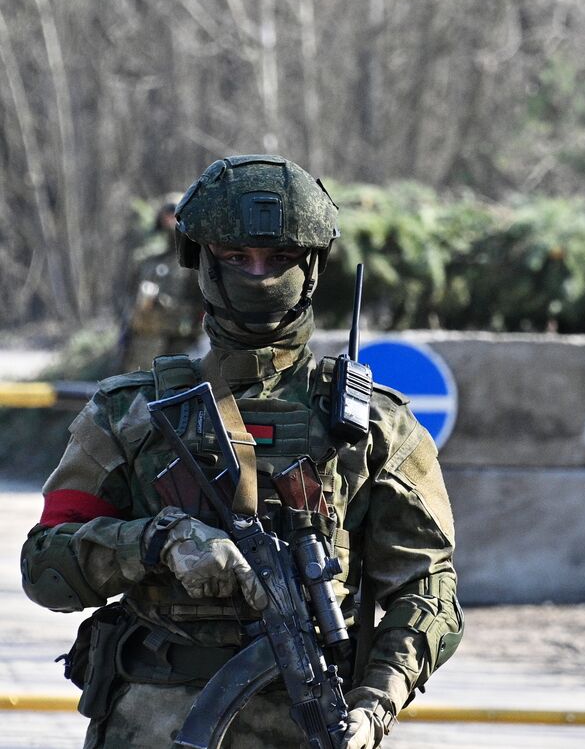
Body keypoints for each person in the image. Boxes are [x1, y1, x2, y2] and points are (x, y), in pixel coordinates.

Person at [20, 155, 462, 748]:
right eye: (236, 257)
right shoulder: (129, 412)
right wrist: (157, 543)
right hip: (152, 722)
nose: (259, 275)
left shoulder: (375, 424)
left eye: (279, 259)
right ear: (202, 262)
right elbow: (46, 568)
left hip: (312, 720)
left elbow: (427, 589)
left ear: (311, 268)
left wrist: (377, 700)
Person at [117, 196, 205, 373]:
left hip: (180, 348)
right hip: (142, 348)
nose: (170, 218)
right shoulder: (147, 261)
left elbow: (205, 309)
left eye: (175, 212)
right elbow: (127, 302)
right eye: (167, 212)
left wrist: (164, 304)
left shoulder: (198, 261)